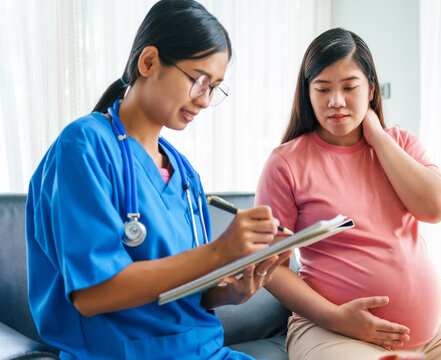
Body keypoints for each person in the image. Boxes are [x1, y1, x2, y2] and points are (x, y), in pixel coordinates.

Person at [25, 1, 290, 358]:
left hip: (205, 350)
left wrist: (228, 292)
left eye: (215, 87)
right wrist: (219, 251)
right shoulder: (83, 146)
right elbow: (93, 294)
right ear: (148, 62)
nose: (205, 100)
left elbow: (184, 287)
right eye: (199, 80)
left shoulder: (184, 172)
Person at [255, 28, 441, 360]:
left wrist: (377, 135)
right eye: (323, 88)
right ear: (307, 93)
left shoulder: (401, 144)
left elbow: (435, 207)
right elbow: (270, 266)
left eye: (350, 87)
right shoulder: (286, 162)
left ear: (371, 88)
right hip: (333, 334)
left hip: (435, 336)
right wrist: (337, 318)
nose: (336, 101)